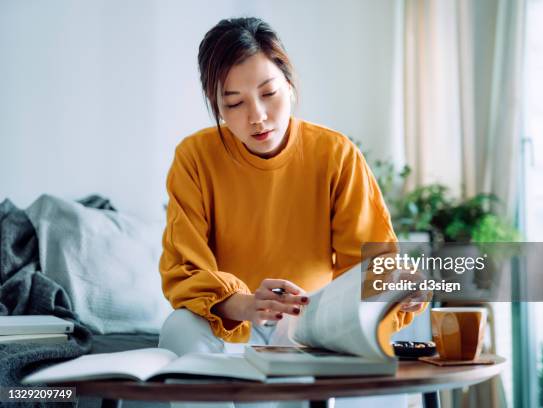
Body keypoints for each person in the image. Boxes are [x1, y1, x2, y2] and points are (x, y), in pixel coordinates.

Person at [158, 17, 427, 408]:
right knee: (180, 325)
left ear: (290, 85)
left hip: (310, 327)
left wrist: (394, 293)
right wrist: (248, 303)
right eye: (233, 103)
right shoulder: (194, 158)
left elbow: (369, 264)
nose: (257, 116)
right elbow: (185, 269)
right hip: (232, 327)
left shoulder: (336, 155)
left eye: (268, 93)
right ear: (216, 106)